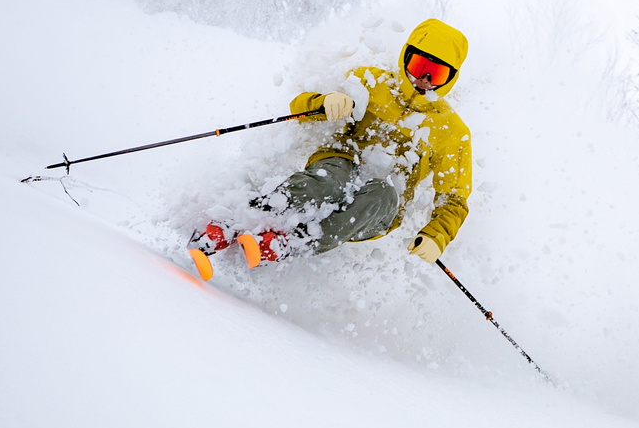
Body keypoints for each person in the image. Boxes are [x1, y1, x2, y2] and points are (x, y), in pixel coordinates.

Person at [187, 18, 472, 281]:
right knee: (330, 179)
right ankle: (237, 221)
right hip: (343, 158)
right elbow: (299, 108)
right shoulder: (370, 82)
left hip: (384, 202)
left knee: (381, 194)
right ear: (405, 57)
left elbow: (455, 198)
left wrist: (437, 236)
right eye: (419, 66)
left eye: (436, 73)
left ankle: (289, 241)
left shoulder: (451, 132)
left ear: (451, 78)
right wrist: (326, 102)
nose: (423, 79)